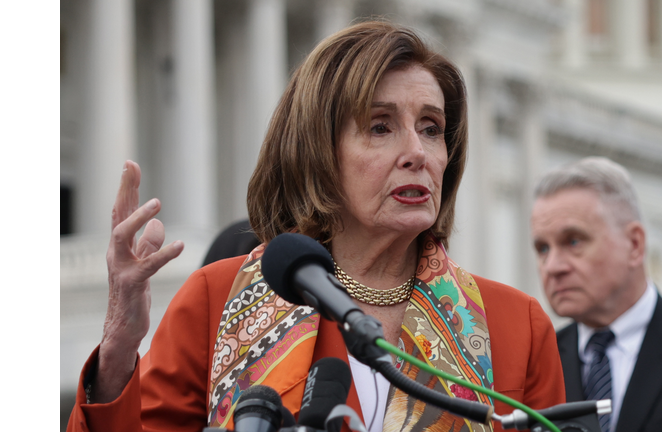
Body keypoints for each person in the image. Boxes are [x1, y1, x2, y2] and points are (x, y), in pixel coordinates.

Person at [66, 21, 565, 432]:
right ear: (317, 151)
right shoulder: (215, 300)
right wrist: (117, 349)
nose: (417, 153)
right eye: (380, 126)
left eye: (432, 128)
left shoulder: (515, 326)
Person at [529, 157, 662, 432]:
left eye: (573, 241)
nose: (552, 266)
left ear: (634, 244)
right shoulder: (535, 363)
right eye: (543, 248)